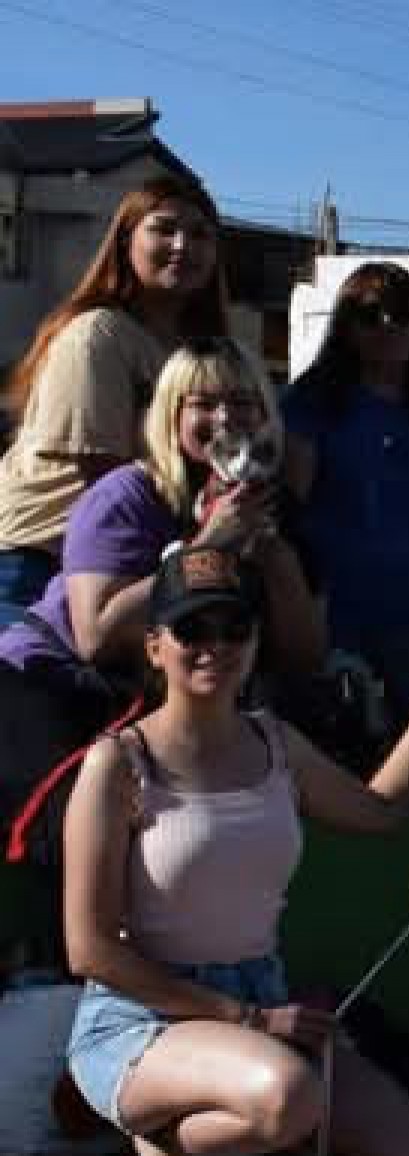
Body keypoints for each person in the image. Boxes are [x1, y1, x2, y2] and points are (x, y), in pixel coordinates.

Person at [61, 544, 409, 1153]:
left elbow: (382, 811)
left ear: (255, 642)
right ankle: (156, 1136)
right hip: (143, 1018)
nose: (216, 645)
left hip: (263, 1002)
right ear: (154, 646)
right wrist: (248, 1021)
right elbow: (89, 950)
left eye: (235, 627)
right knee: (288, 1098)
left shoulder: (277, 743)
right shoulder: (118, 763)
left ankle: (170, 1134)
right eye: (192, 627)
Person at [1, 342, 325, 892]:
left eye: (243, 401)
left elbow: (303, 656)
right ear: (172, 415)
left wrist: (275, 561)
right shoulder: (127, 495)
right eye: (205, 403)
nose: (226, 418)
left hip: (159, 701)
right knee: (84, 819)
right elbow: (95, 635)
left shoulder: (275, 507)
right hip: (51, 683)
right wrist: (211, 546)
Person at [0, 178, 229, 626]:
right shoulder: (97, 334)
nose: (183, 246)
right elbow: (104, 481)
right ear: (126, 242)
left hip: (136, 560)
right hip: (39, 563)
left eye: (201, 234)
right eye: (164, 229)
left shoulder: (198, 350)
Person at [285, 262, 409, 747]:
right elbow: (290, 517)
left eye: (404, 314)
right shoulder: (314, 399)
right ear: (346, 326)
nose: (389, 325)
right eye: (371, 315)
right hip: (333, 625)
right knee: (341, 756)